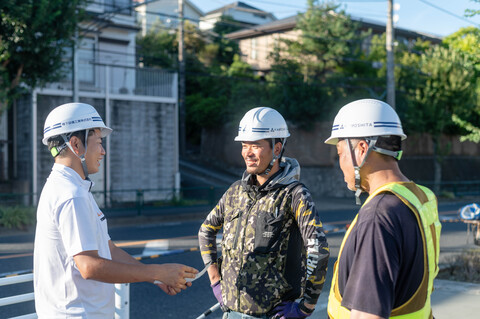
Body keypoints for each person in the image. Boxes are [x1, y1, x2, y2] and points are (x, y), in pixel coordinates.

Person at [34, 102, 198, 318]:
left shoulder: (70, 187)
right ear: (75, 144)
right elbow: (89, 266)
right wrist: (157, 272)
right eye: (99, 142)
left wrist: (157, 277)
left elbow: (108, 249)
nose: (103, 151)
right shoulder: (71, 195)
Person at [198, 107, 330, 319]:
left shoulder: (294, 194)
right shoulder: (235, 192)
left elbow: (318, 250)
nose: (247, 152)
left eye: (256, 145)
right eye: (244, 145)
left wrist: (305, 307)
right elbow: (206, 231)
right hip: (231, 313)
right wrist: (215, 280)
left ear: (277, 149)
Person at [324, 99, 442, 319]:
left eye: (340, 153)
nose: (339, 161)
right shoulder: (420, 197)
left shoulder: (378, 217)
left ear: (362, 149)